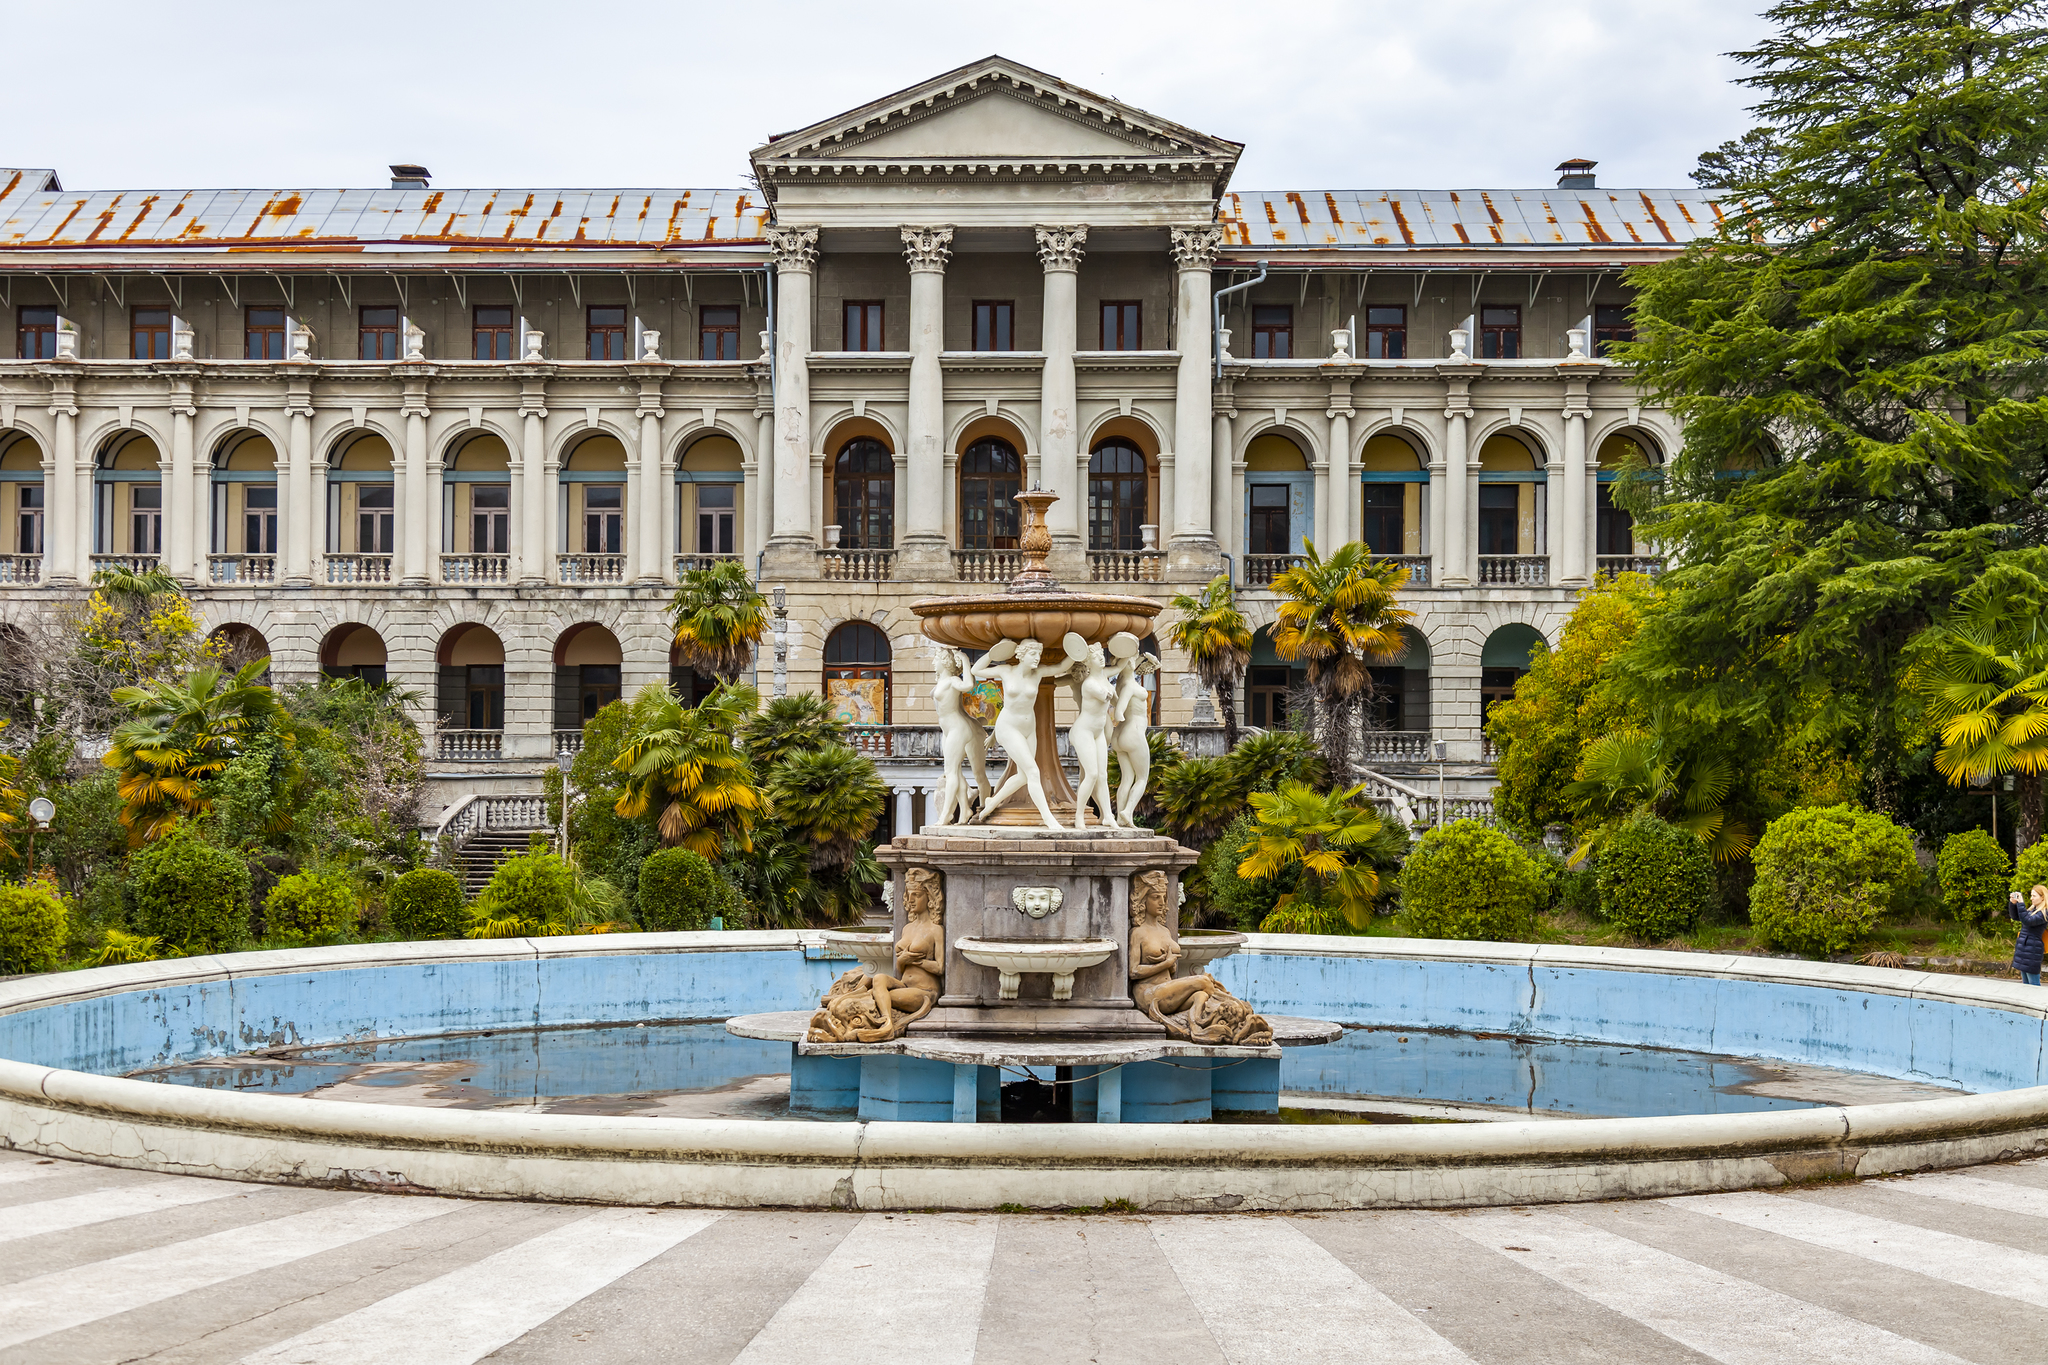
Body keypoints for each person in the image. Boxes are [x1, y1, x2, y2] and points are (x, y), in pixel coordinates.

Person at [2007, 885, 2048, 987]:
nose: (2031, 898)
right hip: (2024, 948)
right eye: (2031, 895)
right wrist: (2013, 903)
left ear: (2042, 897)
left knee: (2033, 985)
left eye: (2034, 896)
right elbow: (2016, 917)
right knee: (2025, 985)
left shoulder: (2044, 913)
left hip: (2033, 951)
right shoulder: (2032, 910)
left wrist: (2021, 903)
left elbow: (2027, 921)